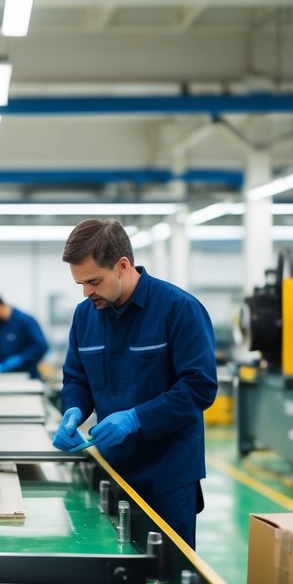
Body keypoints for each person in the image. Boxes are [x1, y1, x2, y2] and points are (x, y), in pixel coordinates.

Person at [52, 219, 216, 548]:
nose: (86, 292)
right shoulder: (85, 316)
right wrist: (72, 409)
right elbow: (77, 377)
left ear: (123, 266)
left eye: (94, 281)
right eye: (80, 284)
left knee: (167, 576)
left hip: (168, 476)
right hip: (113, 469)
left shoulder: (179, 309)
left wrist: (136, 418)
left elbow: (199, 386)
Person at [0, 292, 49, 378]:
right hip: (5, 378)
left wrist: (21, 358)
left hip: (27, 377)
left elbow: (42, 346)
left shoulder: (25, 321)